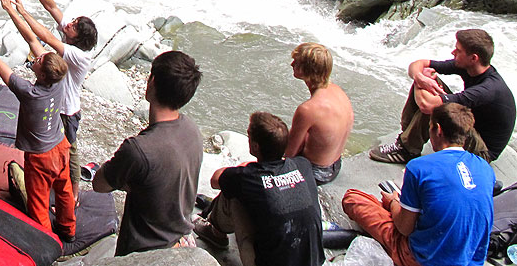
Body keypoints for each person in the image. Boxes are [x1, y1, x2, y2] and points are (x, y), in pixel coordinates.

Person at [0, 0, 75, 242]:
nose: (35, 59)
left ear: (43, 75)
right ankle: (68, 231)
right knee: (64, 190)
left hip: (41, 156)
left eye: (37, 62)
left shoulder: (30, 92)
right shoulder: (59, 78)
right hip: (61, 145)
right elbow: (32, 40)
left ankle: (47, 242)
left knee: (38, 203)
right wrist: (11, 10)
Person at [344, 103, 494, 266]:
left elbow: (404, 228)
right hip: (470, 258)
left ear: (437, 129)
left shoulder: (419, 167)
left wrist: (393, 202)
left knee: (353, 199)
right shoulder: (485, 168)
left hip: (422, 258)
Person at [92, 51, 203, 256]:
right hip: (179, 240)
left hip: (142, 251)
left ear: (151, 82)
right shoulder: (192, 130)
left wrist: (130, 180)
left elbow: (98, 184)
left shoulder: (138, 149)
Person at [192, 112, 324, 266]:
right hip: (313, 261)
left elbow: (216, 180)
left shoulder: (249, 176)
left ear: (255, 146)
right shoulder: (303, 165)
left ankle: (216, 234)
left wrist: (244, 168)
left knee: (233, 193)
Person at [13, 0, 98, 199]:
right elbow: (51, 7)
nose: (68, 24)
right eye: (72, 22)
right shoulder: (71, 38)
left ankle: (73, 194)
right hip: (55, 101)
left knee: (69, 150)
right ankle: (51, 183)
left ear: (77, 37)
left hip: (67, 111)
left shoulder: (77, 55)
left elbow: (47, 38)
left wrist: (22, 11)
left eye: (73, 26)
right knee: (50, 146)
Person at [370, 28, 515, 163]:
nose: (453, 52)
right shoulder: (468, 67)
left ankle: (407, 150)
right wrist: (420, 78)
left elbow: (427, 106)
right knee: (429, 80)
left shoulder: (487, 89)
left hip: (482, 152)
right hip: (470, 127)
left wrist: (422, 84)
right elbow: (417, 64)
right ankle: (405, 136)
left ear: (473, 58)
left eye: (458, 50)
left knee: (439, 108)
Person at [286, 42, 354, 184]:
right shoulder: (338, 91)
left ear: (308, 70)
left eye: (296, 62)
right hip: (335, 165)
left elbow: (289, 155)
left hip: (316, 172)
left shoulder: (308, 109)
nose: (292, 64)